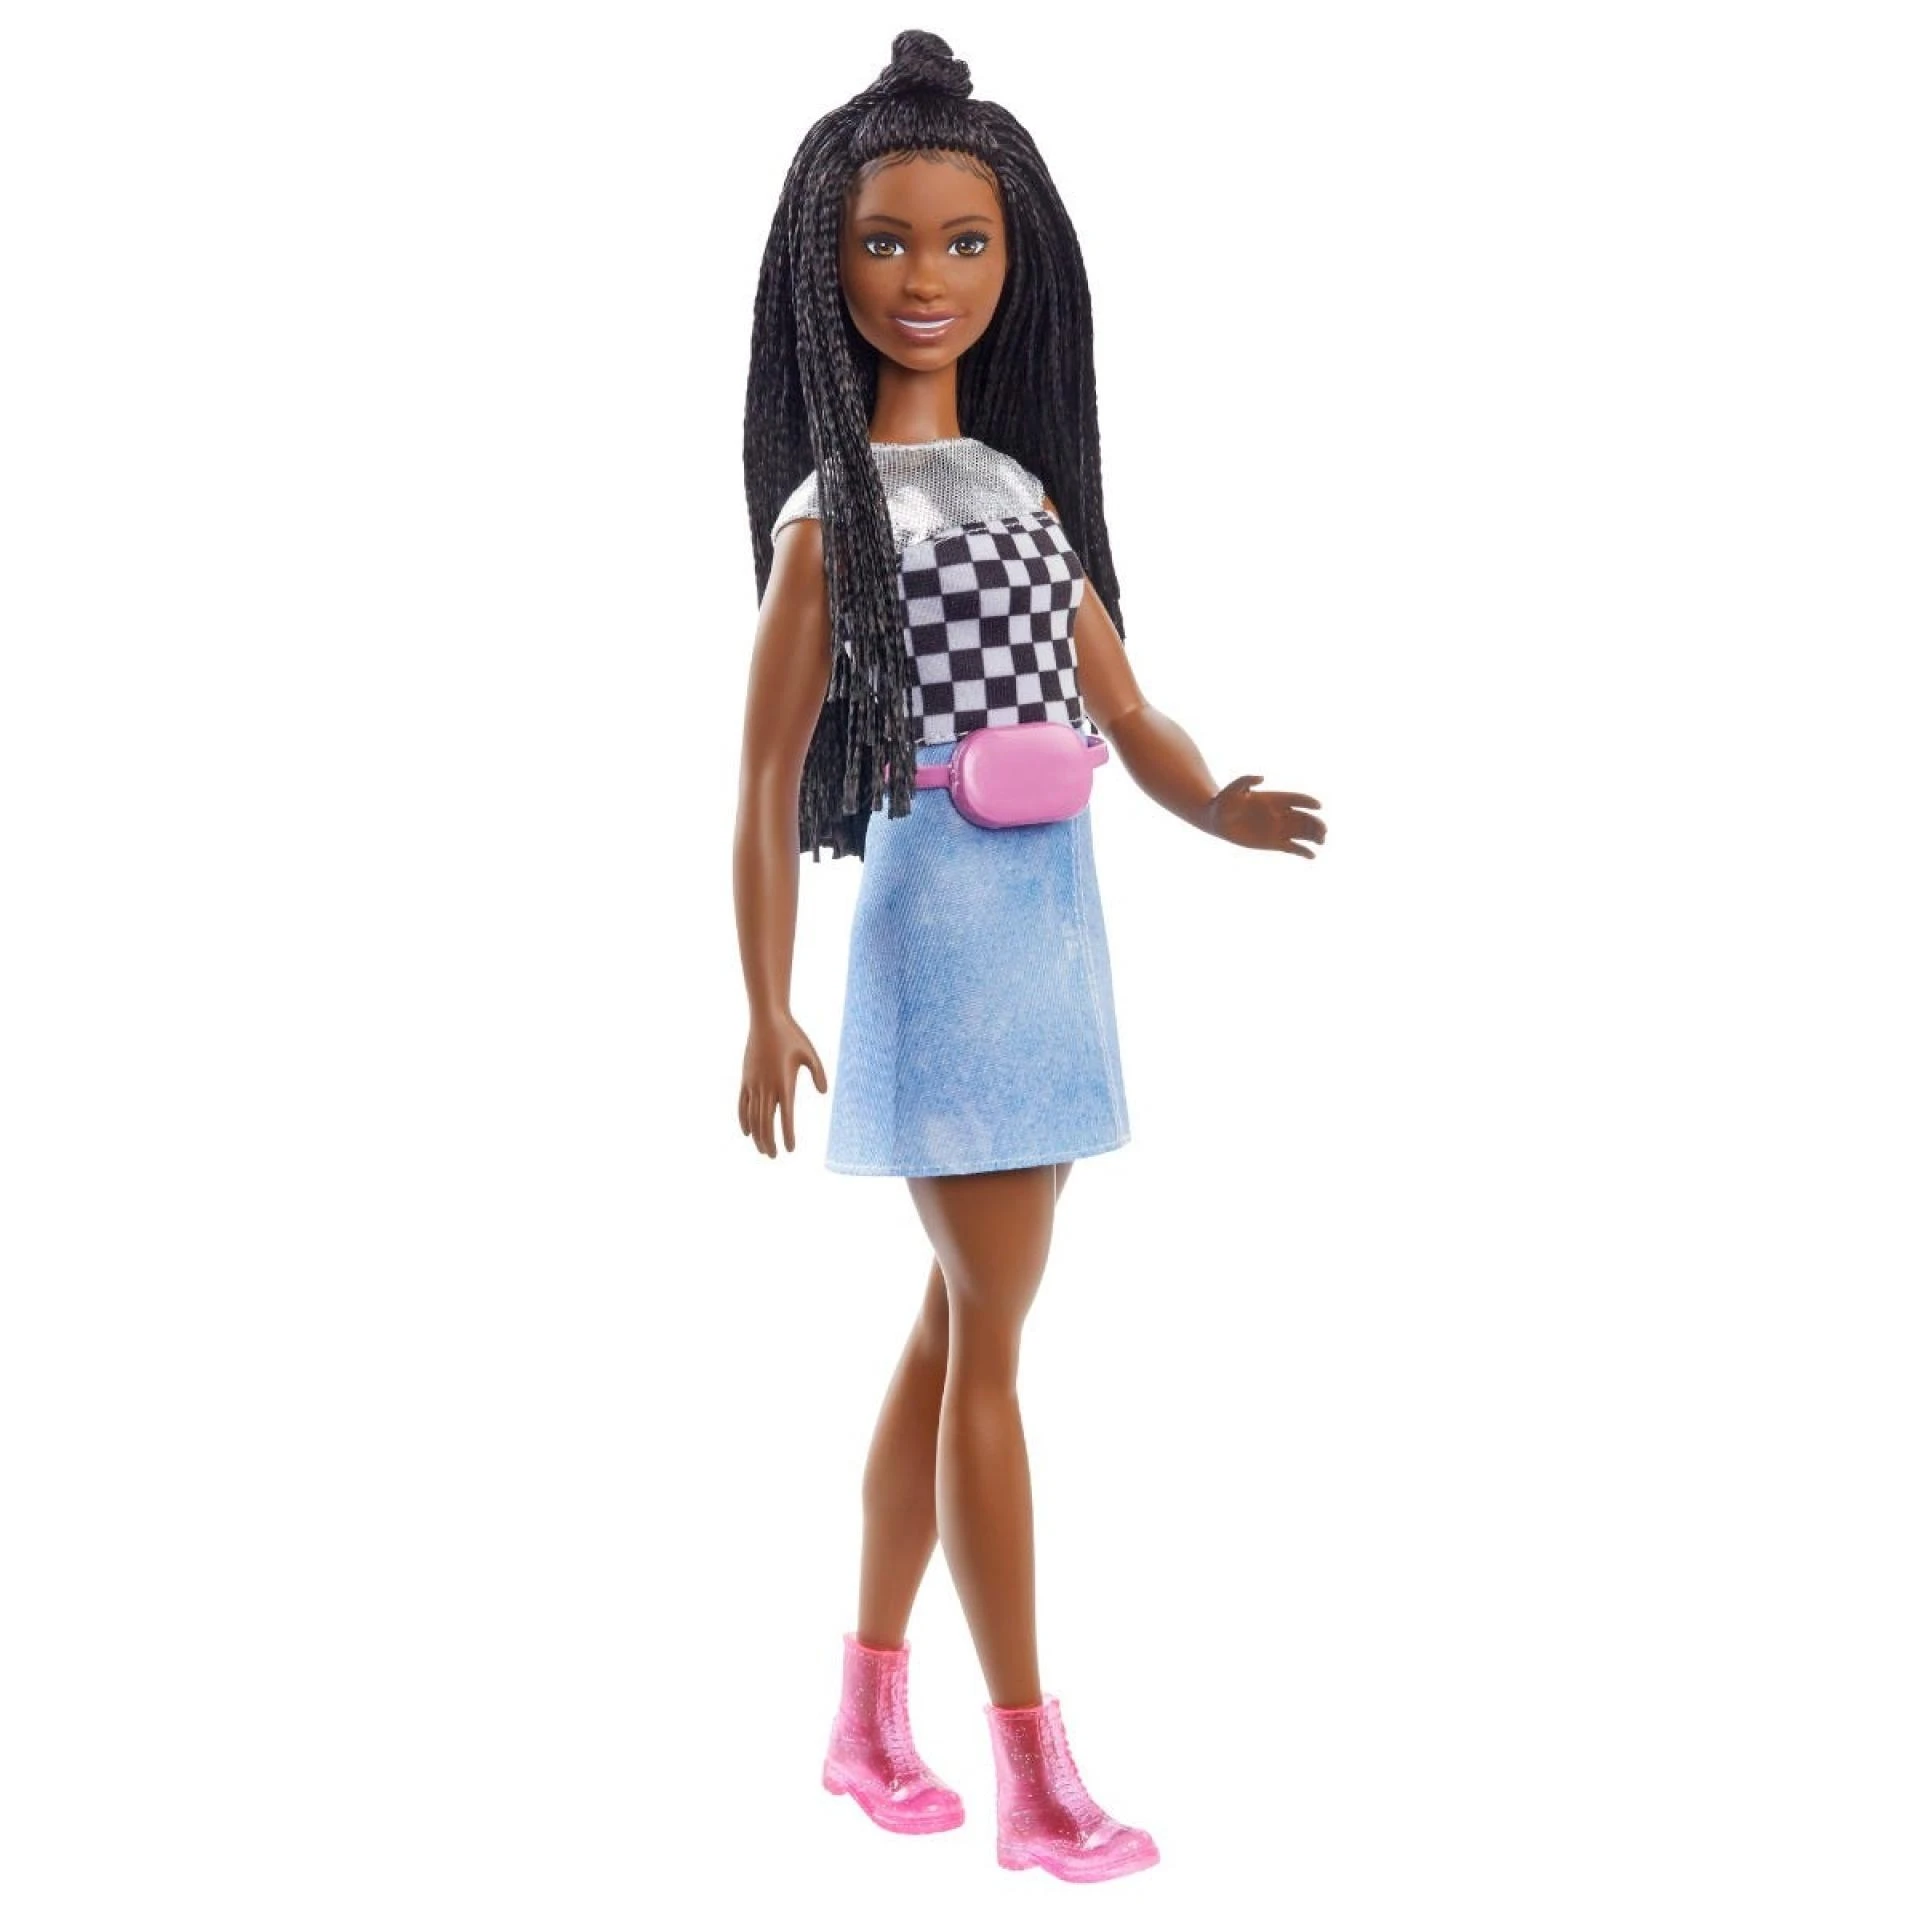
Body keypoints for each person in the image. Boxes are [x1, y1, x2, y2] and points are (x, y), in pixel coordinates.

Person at [732, 31, 1326, 1883]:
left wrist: (1208, 797)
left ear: (1019, 260)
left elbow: (1119, 702)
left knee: (958, 1326)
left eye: (965, 241)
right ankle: (1033, 1773)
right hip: (945, 920)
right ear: (826, 266)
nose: (927, 278)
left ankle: (864, 1719)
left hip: (1055, 911)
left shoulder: (1018, 487)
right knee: (990, 1341)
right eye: (886, 242)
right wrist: (763, 1001)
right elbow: (761, 776)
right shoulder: (831, 524)